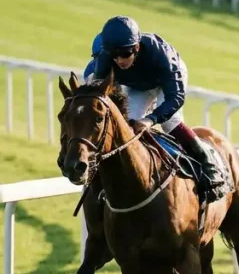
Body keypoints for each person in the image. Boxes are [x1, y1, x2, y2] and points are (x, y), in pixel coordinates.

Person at [90, 16, 228, 207]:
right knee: (127, 125)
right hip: (140, 86)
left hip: (167, 81)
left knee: (169, 123)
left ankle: (208, 163)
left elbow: (176, 98)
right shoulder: (106, 58)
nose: (120, 60)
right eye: (114, 55)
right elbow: (99, 93)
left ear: (137, 47)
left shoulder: (161, 54)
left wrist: (151, 119)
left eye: (125, 53)